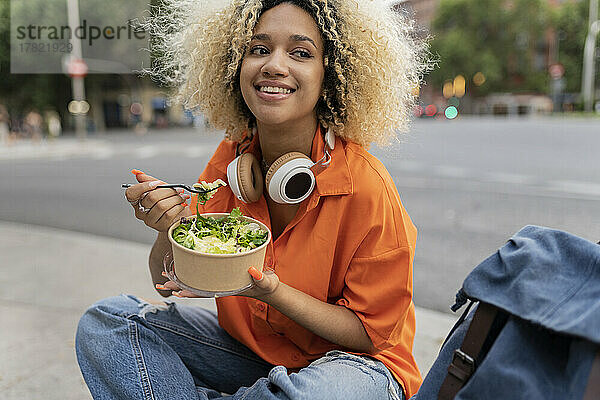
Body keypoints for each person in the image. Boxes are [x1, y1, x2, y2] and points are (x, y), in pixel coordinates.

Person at [76, 1, 429, 399]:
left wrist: (271, 291)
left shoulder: (367, 184)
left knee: (322, 392)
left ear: (328, 74)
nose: (274, 65)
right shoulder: (231, 162)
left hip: (355, 366)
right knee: (107, 321)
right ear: (233, 66)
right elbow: (168, 282)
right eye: (258, 49)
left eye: (300, 53)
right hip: (252, 355)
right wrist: (169, 228)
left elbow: (369, 334)